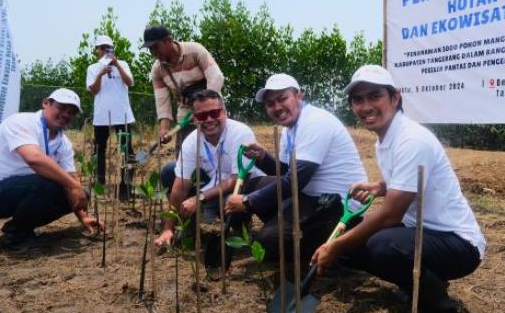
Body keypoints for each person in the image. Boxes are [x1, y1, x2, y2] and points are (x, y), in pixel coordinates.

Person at [310, 65, 486, 313]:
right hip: (423, 232)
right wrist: (379, 187)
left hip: (459, 244)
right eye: (357, 99)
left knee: (382, 245)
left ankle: (441, 311)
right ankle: (418, 284)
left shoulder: (411, 139)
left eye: (374, 96)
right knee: (358, 247)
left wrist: (336, 245)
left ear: (395, 98)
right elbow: (406, 182)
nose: (365, 106)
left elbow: (392, 213)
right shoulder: (387, 138)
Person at [224, 74, 368, 262]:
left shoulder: (315, 121)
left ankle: (325, 247)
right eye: (270, 103)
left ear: (299, 96)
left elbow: (295, 180)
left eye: (282, 98)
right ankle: (285, 228)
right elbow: (287, 171)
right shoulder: (289, 129)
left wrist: (248, 201)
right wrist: (263, 158)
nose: (277, 107)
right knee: (252, 185)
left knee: (265, 243)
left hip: (338, 206)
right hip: (311, 196)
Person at [0, 88, 104, 247]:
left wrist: (83, 216)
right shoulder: (21, 122)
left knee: (81, 193)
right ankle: (16, 236)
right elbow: (34, 159)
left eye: (71, 112)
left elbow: (71, 181)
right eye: (61, 108)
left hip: (24, 191)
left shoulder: (64, 143)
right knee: (50, 184)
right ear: (46, 103)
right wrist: (74, 185)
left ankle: (19, 228)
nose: (65, 115)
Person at [154, 90, 263, 249]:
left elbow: (235, 180)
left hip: (245, 187)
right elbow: (180, 186)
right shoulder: (192, 141)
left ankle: (241, 228)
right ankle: (186, 226)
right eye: (202, 116)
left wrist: (199, 198)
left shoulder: (240, 132)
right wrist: (168, 228)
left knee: (231, 200)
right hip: (213, 185)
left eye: (214, 113)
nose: (209, 119)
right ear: (194, 118)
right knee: (170, 171)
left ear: (224, 113)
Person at [141, 25, 224, 147]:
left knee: (217, 147)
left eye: (155, 47)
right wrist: (164, 128)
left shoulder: (195, 50)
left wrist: (203, 108)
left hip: (211, 107)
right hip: (185, 110)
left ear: (168, 41)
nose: (153, 52)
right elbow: (162, 101)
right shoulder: (157, 70)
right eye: (150, 49)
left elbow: (216, 77)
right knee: (184, 153)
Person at [86, 35, 135, 199]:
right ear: (97, 50)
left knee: (127, 151)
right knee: (99, 150)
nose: (105, 50)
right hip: (101, 116)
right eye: (102, 47)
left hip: (123, 116)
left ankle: (125, 186)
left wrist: (117, 65)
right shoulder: (92, 68)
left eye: (108, 47)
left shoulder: (124, 65)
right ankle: (99, 183)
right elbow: (93, 91)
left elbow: (130, 83)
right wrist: (100, 74)